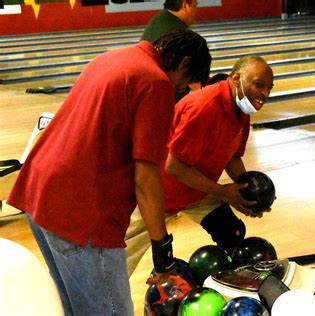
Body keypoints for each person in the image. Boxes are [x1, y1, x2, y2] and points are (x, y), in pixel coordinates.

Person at [7, 29, 211, 316]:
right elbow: (147, 175)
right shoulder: (155, 81)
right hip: (80, 212)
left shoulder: (112, 58)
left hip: (39, 192)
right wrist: (162, 248)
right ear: (183, 62)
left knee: (76, 309)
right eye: (183, 83)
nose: (178, 91)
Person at [129, 56, 274, 285]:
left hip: (196, 189)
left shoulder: (241, 111)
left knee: (232, 232)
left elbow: (233, 156)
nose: (264, 93)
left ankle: (232, 286)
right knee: (118, 256)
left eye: (268, 87)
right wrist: (223, 191)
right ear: (236, 79)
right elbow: (174, 167)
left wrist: (246, 192)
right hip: (158, 191)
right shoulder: (204, 107)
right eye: (259, 84)